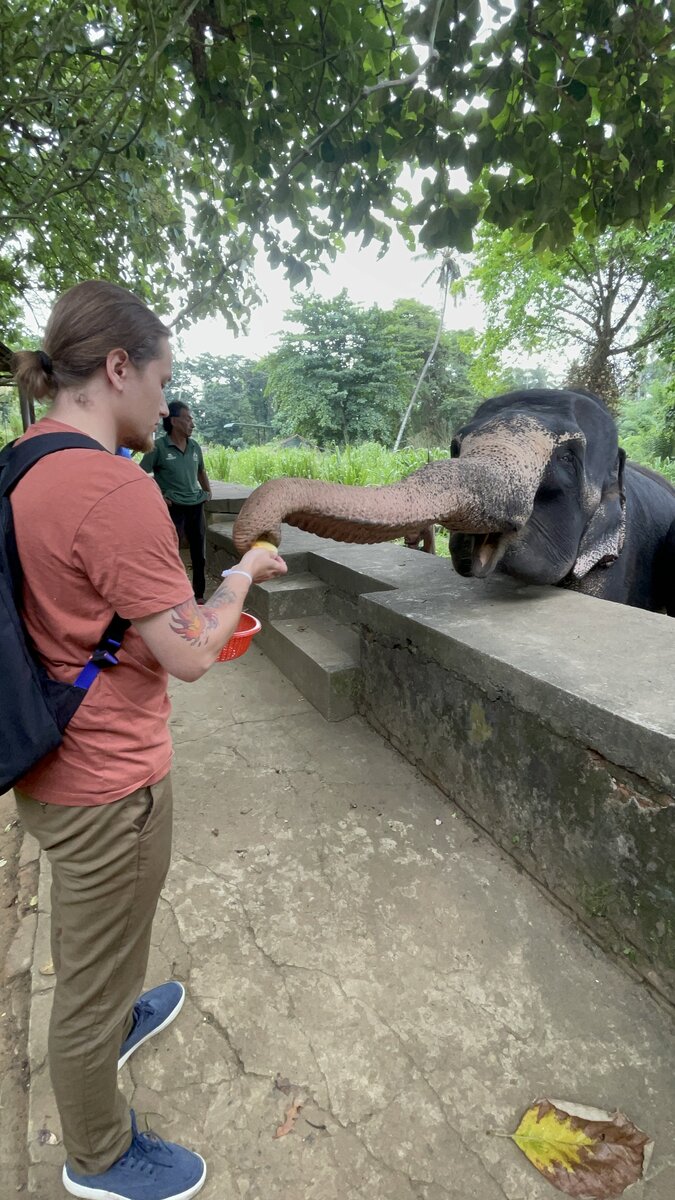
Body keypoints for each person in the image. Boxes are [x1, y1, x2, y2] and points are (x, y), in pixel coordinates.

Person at [9, 280, 287, 1200]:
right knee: (84, 989)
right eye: (162, 380)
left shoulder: (21, 460)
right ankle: (98, 1157)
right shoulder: (109, 488)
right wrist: (243, 571)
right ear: (118, 369)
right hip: (106, 781)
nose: (167, 404)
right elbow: (195, 651)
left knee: (110, 940)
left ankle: (122, 1014)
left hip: (52, 760)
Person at [140, 402, 211, 603]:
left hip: (196, 505)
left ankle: (198, 595)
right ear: (174, 421)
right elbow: (141, 474)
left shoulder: (195, 446)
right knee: (170, 552)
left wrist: (207, 491)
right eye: (188, 419)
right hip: (173, 508)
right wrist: (159, 496)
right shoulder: (158, 447)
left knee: (199, 553)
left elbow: (201, 471)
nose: (192, 424)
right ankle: (171, 594)